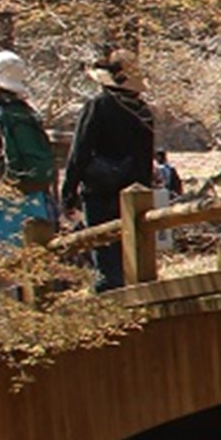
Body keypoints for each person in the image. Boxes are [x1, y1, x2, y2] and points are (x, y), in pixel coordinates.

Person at [62, 48, 155, 291]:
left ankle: (108, 300)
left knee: (103, 250)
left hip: (99, 188)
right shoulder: (143, 112)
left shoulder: (98, 106)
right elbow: (145, 159)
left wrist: (68, 192)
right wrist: (146, 192)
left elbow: (79, 151)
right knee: (130, 249)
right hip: (133, 189)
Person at [0, 49, 59, 245]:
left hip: (3, 198)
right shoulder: (30, 113)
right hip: (36, 197)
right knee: (35, 256)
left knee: (6, 257)